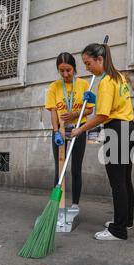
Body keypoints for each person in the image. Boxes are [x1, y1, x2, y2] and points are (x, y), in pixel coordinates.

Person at [71, 43, 134, 241]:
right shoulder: (119, 76)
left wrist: (80, 129)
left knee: (117, 182)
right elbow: (114, 105)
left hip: (117, 131)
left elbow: (102, 115)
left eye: (88, 63)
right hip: (129, 128)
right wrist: (96, 98)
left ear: (99, 59)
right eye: (84, 64)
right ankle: (125, 220)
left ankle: (118, 230)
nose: (87, 68)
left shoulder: (106, 82)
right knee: (125, 180)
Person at [45, 52, 94, 213]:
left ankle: (75, 204)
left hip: (78, 130)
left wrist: (74, 114)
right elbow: (53, 112)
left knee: (76, 168)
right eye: (62, 71)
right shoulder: (54, 87)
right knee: (59, 169)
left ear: (74, 68)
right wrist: (55, 132)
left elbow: (89, 110)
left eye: (69, 70)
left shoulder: (84, 84)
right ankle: (56, 206)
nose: (65, 74)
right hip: (60, 131)